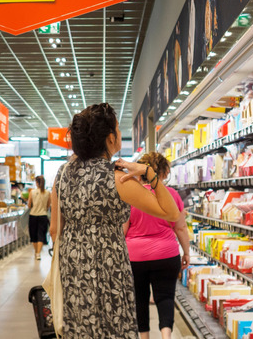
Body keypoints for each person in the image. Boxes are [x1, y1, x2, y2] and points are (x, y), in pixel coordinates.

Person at [49, 103, 180, 338]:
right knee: (112, 324)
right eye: (118, 130)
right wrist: (148, 173)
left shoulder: (63, 173)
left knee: (80, 325)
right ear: (110, 139)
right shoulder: (117, 178)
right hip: (108, 263)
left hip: (73, 264)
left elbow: (54, 228)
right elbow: (171, 213)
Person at [123, 152, 190, 339]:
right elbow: (181, 228)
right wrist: (186, 253)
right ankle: (166, 336)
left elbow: (123, 229)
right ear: (164, 172)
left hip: (135, 257)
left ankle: (144, 337)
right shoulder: (172, 195)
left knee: (140, 299)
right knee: (166, 297)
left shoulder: (132, 196)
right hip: (167, 254)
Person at [27, 175, 50, 260]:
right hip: (43, 216)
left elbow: (29, 205)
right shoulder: (47, 193)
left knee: (33, 235)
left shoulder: (32, 192)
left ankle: (36, 252)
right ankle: (38, 253)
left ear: (36, 183)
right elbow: (48, 205)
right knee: (41, 235)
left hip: (33, 215)